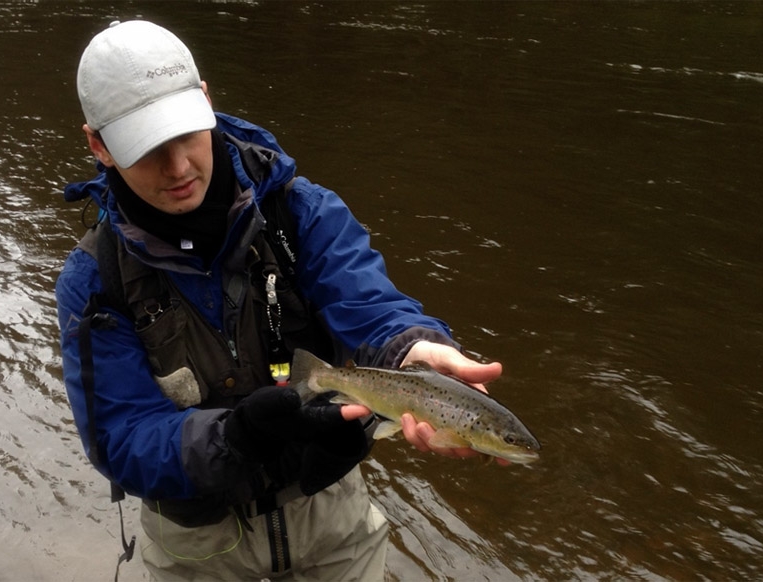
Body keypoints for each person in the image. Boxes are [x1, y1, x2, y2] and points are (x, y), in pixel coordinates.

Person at [56, 19, 505, 581]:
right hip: (198, 545)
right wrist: (232, 438)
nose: (178, 169)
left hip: (331, 516)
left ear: (206, 101)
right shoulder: (95, 279)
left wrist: (412, 352)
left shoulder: (300, 211)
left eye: (186, 135)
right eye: (146, 150)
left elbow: (367, 304)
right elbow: (120, 440)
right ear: (99, 145)